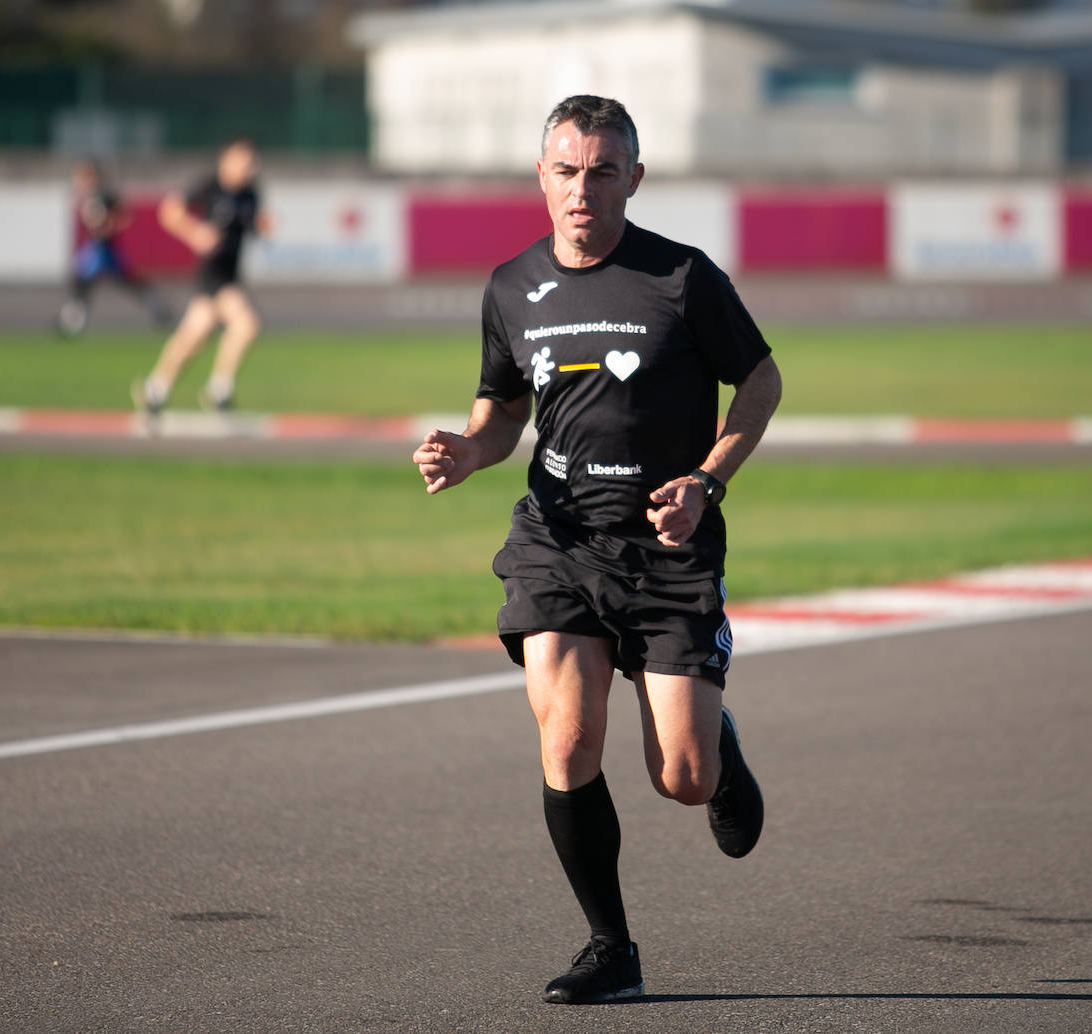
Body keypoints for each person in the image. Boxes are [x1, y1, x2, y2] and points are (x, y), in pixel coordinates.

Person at [412, 95, 782, 1005]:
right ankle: (609, 947)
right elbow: (501, 411)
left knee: (683, 780)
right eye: (567, 171)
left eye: (604, 171)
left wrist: (708, 479)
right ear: (542, 176)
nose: (584, 190)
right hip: (559, 538)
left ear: (634, 178)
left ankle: (718, 751)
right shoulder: (509, 286)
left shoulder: (684, 278)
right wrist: (466, 451)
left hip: (669, 544)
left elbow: (762, 378)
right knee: (568, 736)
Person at [132, 138, 268, 415]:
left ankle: (155, 390)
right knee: (245, 324)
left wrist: (264, 226)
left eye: (251, 161)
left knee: (192, 338)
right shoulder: (209, 186)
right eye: (242, 159)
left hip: (229, 274)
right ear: (226, 159)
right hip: (212, 276)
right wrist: (195, 233)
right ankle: (218, 390)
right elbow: (169, 211)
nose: (248, 167)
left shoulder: (251, 194)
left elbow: (254, 226)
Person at [57, 158, 169, 337]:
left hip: (105, 250)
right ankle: (72, 321)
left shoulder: (104, 195)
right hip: (95, 248)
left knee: (123, 282)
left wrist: (111, 225)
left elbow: (124, 215)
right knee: (82, 285)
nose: (78, 181)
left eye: (82, 176)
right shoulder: (87, 197)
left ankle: (159, 310)